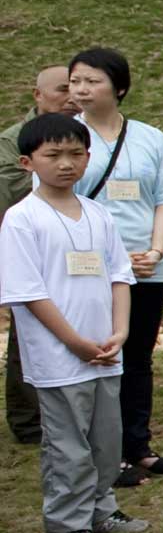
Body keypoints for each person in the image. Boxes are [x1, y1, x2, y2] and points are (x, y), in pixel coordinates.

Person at [2, 113, 146, 533]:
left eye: (75, 154)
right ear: (28, 162)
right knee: (67, 445)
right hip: (59, 357)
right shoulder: (22, 220)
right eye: (53, 155)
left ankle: (102, 508)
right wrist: (76, 342)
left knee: (107, 438)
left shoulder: (98, 214)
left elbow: (120, 277)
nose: (66, 163)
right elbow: (29, 294)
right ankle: (69, 523)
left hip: (105, 351)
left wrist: (119, 332)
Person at [66, 47, 163, 486]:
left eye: (91, 80)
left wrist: (155, 251)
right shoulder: (63, 136)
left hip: (146, 264)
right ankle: (106, 455)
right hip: (89, 266)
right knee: (101, 356)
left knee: (138, 358)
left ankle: (139, 446)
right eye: (75, 80)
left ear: (119, 87)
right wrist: (104, 258)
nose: (80, 88)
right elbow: (57, 203)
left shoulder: (150, 137)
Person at [4, 62, 73, 444]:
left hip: (83, 240)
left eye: (75, 87)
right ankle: (28, 420)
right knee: (28, 332)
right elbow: (10, 190)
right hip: (35, 244)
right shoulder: (12, 140)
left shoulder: (90, 132)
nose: (70, 95)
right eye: (61, 88)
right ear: (38, 95)